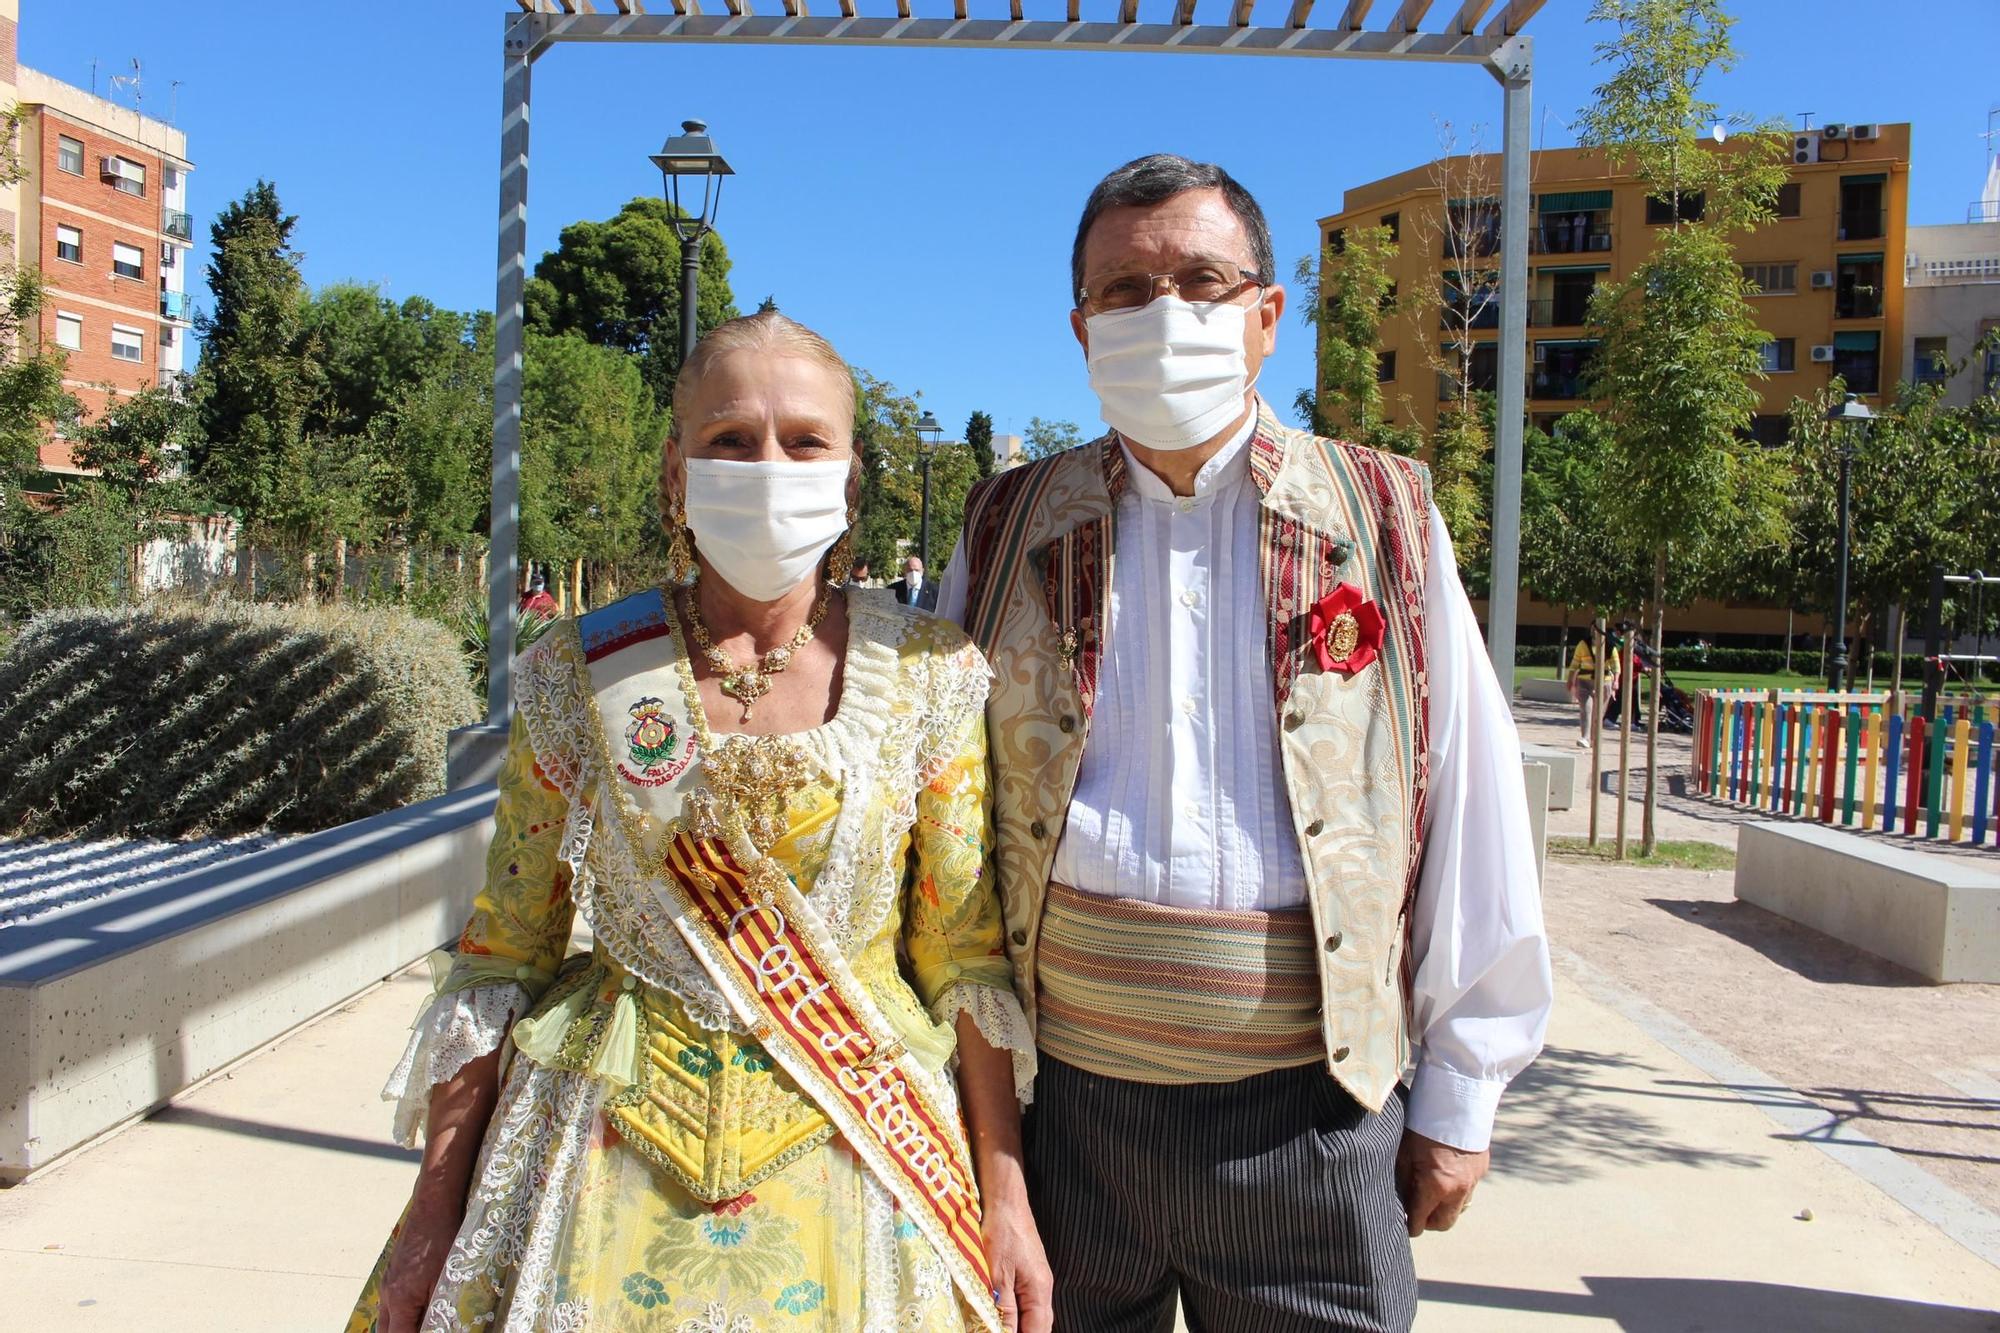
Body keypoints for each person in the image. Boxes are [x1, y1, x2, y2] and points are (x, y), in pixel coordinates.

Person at [936, 154, 1552, 1332]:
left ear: (1266, 318)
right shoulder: (1005, 522)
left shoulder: (1381, 515)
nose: (1163, 313)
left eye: (1201, 281)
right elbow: (933, 800)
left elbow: (1466, 794)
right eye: (1123, 290)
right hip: (1059, 1119)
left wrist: (1461, 1091)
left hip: (1313, 1124)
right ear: (1079, 327)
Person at [352, 312, 1050, 1333]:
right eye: (729, 440)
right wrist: (430, 1210)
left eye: (804, 441)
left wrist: (1006, 1193)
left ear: (851, 480)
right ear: (676, 472)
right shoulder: (576, 670)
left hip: (864, 1154)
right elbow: (503, 950)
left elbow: (964, 957)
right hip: (599, 1143)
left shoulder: (930, 675)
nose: (767, 464)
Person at [1566, 624, 1618, 748]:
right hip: (1584, 681)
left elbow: (1616, 666)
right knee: (1586, 709)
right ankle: (1585, 738)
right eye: (1592, 629)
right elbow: (1575, 664)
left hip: (1604, 682)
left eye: (1597, 629)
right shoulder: (1583, 644)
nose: (1594, 631)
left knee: (1598, 712)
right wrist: (1570, 680)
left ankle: (1595, 738)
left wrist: (1616, 681)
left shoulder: (1610, 646)